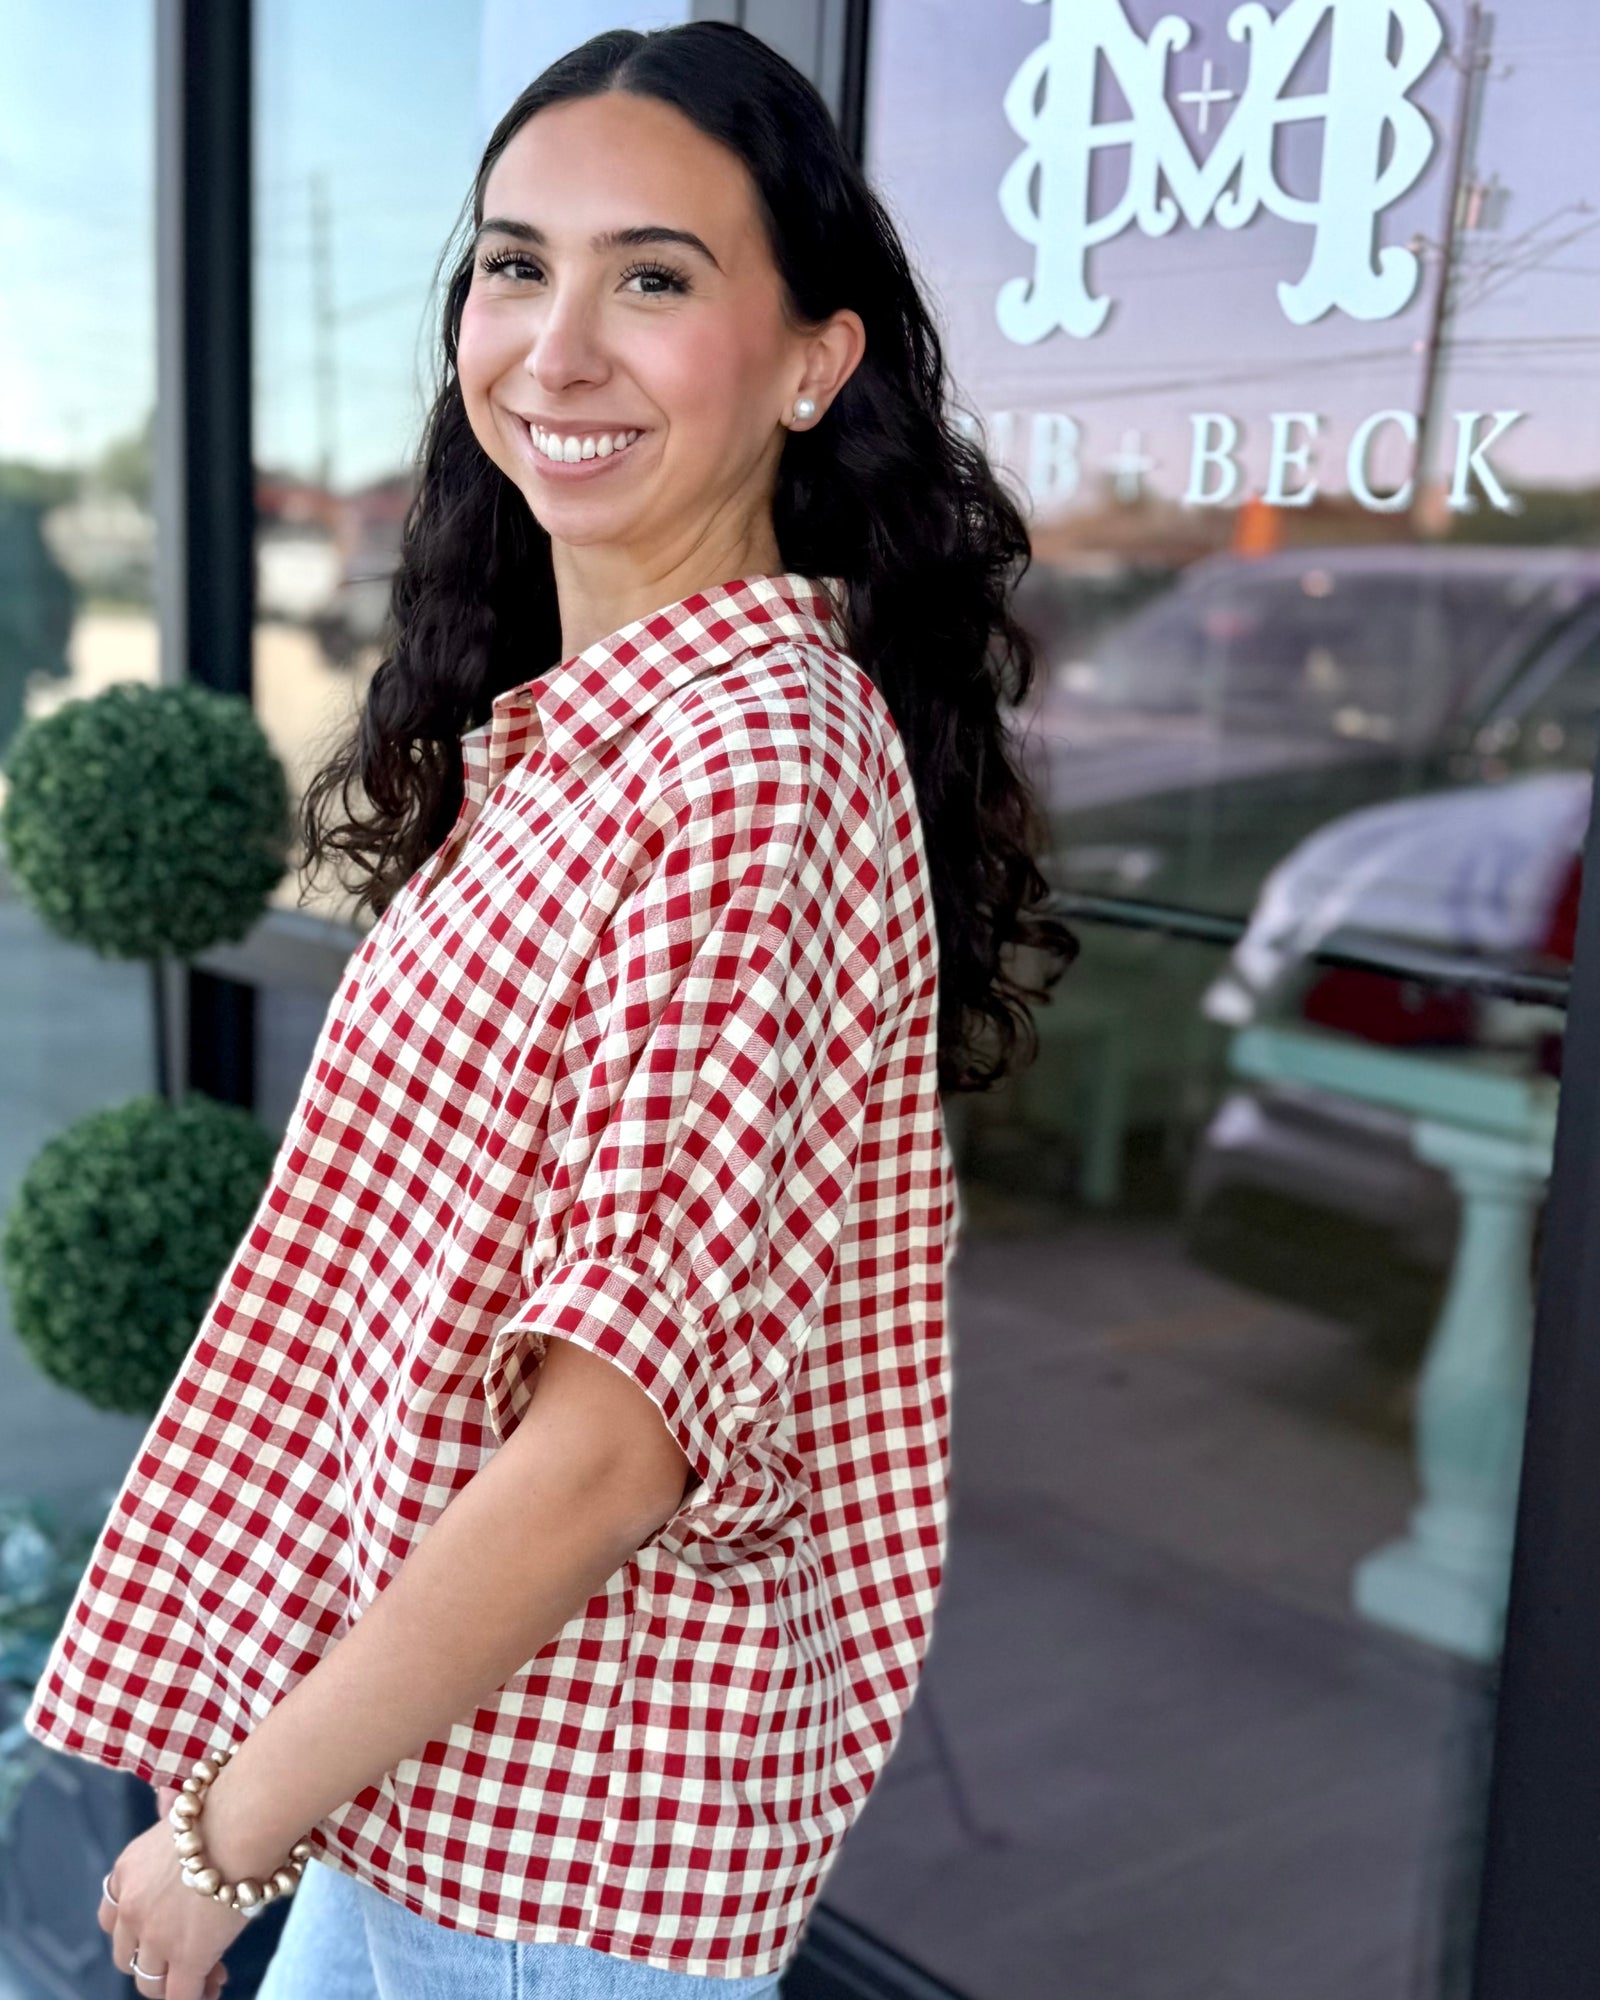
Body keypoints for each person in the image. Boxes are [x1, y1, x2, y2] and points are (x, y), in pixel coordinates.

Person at [21, 21, 1075, 1999]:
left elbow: (610, 1446)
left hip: (550, 1851)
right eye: (516, 263)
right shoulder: (603, 740)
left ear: (809, 361)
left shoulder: (744, 762)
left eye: (653, 278)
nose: (556, 344)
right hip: (444, 1791)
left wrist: (225, 1828)